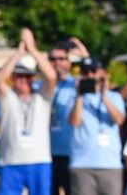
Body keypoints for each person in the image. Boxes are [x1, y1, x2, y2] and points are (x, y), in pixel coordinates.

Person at [0, 28, 57, 195]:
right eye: (19, 76)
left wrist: (32, 49)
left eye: (28, 76)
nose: (24, 80)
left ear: (33, 79)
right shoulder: (8, 98)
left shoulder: (41, 97)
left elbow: (51, 77)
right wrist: (18, 53)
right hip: (11, 162)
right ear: (13, 78)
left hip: (39, 161)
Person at [68, 57, 126, 195]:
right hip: (82, 164)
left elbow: (119, 120)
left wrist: (104, 95)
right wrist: (79, 95)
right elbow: (74, 122)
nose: (89, 75)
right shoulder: (73, 97)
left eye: (93, 71)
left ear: (102, 73)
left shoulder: (114, 96)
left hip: (110, 164)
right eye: (85, 72)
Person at [48, 37, 89, 195]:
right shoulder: (40, 85)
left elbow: (93, 72)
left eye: (62, 59)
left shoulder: (75, 84)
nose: (57, 62)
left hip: (72, 154)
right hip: (46, 155)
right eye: (53, 59)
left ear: (69, 62)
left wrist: (83, 54)